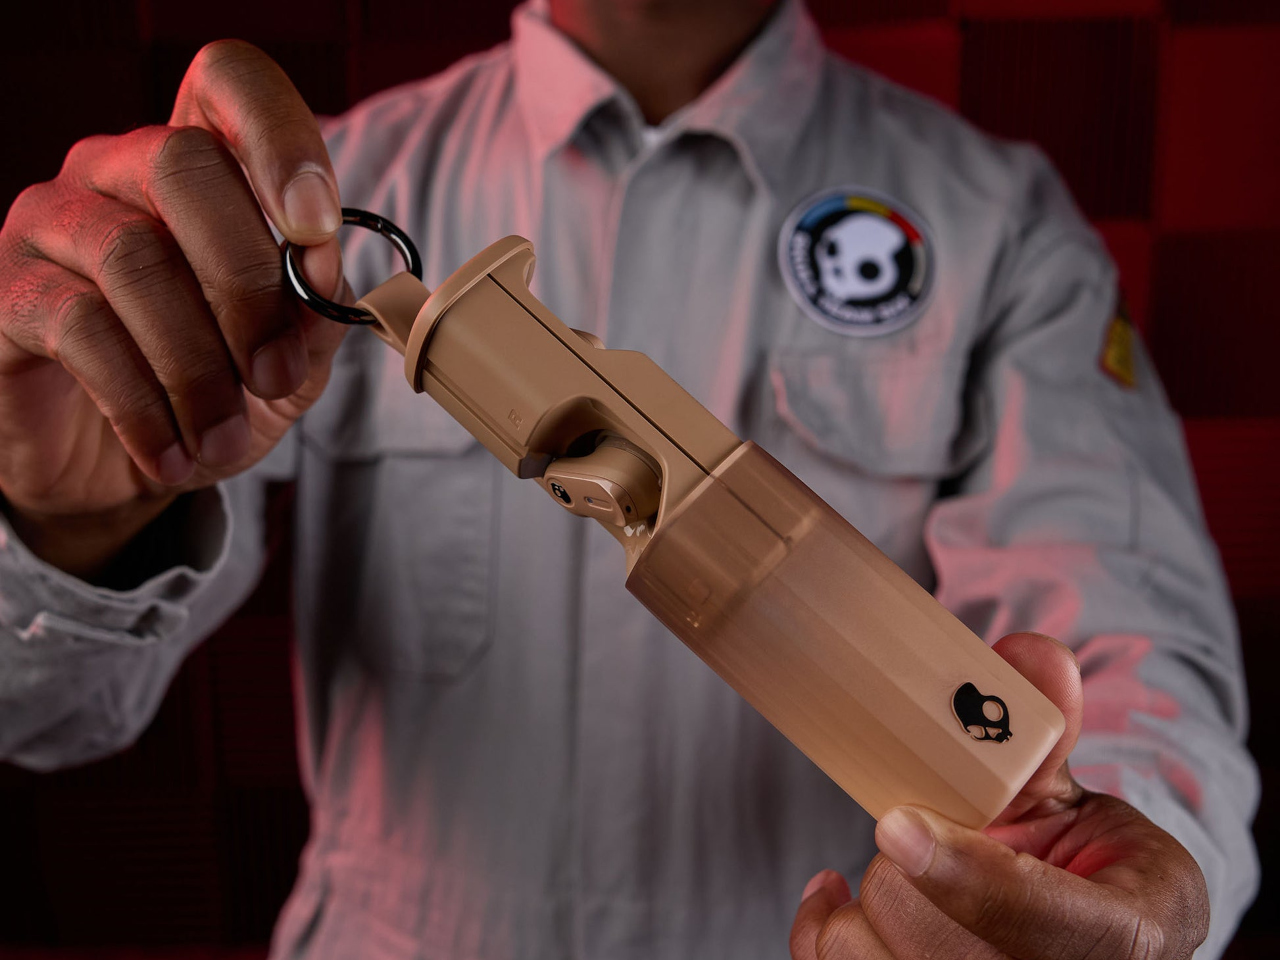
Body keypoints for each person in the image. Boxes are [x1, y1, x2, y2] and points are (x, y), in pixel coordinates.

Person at [0, 0, 1258, 957]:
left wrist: (1116, 876)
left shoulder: (995, 224)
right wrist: (60, 524)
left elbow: (1134, 656)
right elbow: (52, 718)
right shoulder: (303, 213)